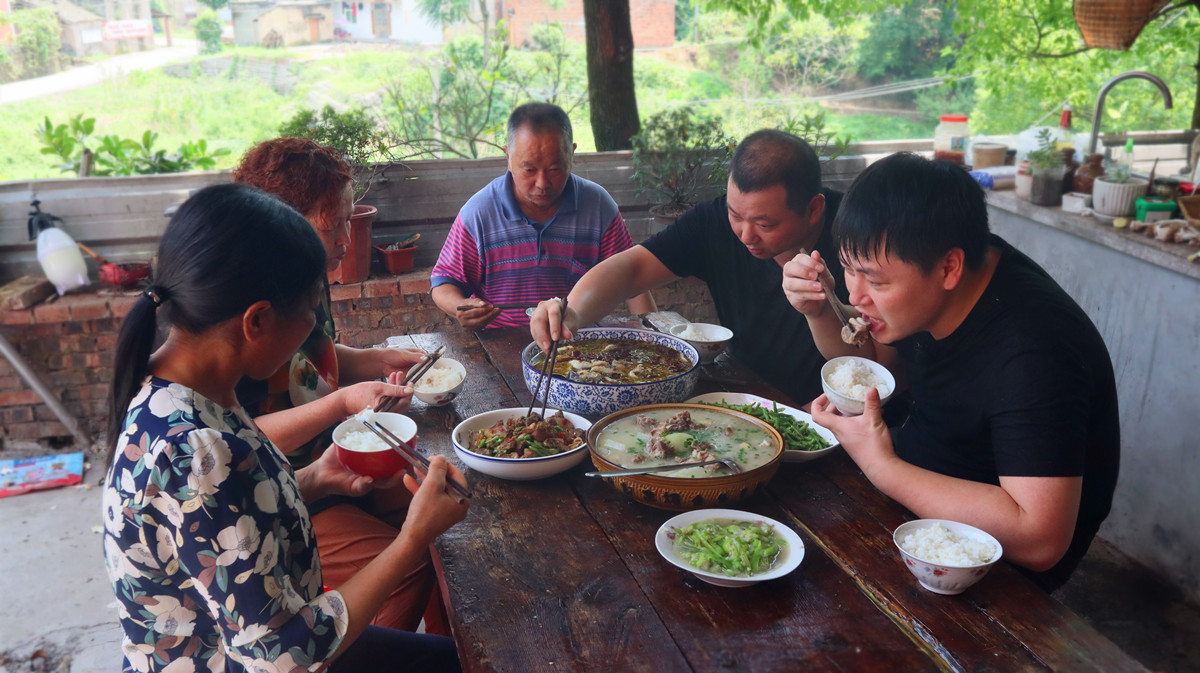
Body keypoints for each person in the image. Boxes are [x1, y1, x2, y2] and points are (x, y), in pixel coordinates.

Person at [102, 183, 470, 672]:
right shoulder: (196, 451)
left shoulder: (179, 387)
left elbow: (216, 524)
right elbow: (282, 658)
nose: (312, 334)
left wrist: (315, 479)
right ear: (256, 320)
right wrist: (414, 537)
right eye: (309, 312)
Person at [781, 152, 1120, 591]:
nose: (855, 294)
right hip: (916, 497)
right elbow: (885, 367)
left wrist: (881, 465)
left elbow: (1040, 540)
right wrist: (819, 311)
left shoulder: (1036, 352)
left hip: (980, 571)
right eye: (846, 269)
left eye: (875, 281)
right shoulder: (934, 276)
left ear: (949, 268)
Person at [232, 137, 439, 634]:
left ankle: (449, 649)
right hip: (287, 493)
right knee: (410, 563)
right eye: (336, 222)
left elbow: (311, 362)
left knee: (446, 517)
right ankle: (373, 651)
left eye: (352, 218)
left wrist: (377, 359)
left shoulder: (307, 275)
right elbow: (238, 440)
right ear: (284, 225)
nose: (349, 236)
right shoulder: (245, 309)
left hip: (339, 462)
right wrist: (340, 404)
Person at [531, 129, 846, 405]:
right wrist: (572, 312)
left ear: (814, 209)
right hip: (745, 397)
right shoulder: (714, 221)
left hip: (835, 419)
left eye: (764, 223)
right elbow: (631, 268)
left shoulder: (859, 238)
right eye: (736, 216)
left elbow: (884, 360)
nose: (746, 235)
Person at [431, 102, 655, 331]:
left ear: (572, 154)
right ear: (508, 156)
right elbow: (444, 281)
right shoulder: (479, 213)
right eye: (529, 170)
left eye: (555, 169)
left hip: (576, 341)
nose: (542, 184)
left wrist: (652, 333)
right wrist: (460, 307)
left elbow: (631, 278)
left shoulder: (598, 207)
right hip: (502, 341)